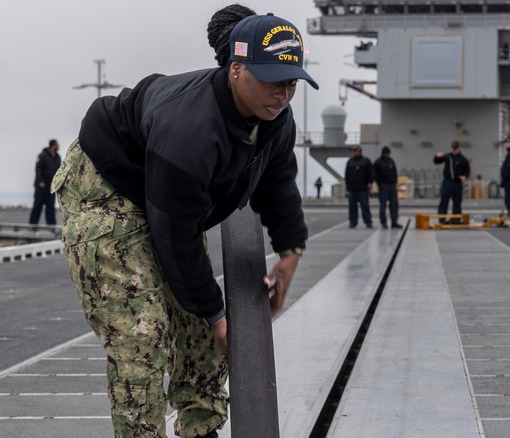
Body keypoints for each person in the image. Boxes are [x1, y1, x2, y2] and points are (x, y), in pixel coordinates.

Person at [51, 6, 316, 437]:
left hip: (165, 195)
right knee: (143, 333)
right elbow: (175, 234)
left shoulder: (275, 120)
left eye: (291, 82)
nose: (282, 94)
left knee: (200, 328)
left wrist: (291, 250)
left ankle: (200, 430)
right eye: (271, 80)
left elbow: (278, 182)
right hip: (106, 191)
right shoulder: (190, 128)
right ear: (236, 70)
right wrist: (216, 314)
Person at [434, 141, 470, 223]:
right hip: (447, 181)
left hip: (457, 182)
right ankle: (442, 219)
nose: (454, 150)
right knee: (444, 200)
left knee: (457, 201)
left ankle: (456, 219)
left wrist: (465, 176)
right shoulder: (447, 157)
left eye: (456, 148)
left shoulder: (463, 159)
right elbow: (436, 162)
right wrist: (437, 156)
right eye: (453, 148)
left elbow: (467, 170)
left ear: (459, 148)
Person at [29, 139, 61, 225]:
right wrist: (40, 181)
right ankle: (32, 225)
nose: (58, 146)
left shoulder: (58, 157)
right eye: (57, 144)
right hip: (41, 185)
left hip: (51, 185)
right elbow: (38, 168)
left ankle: (51, 226)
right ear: (53, 145)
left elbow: (59, 170)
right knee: (37, 205)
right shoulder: (43, 155)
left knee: (50, 206)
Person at [345, 145, 374, 228]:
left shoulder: (366, 161)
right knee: (352, 207)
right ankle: (353, 222)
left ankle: (368, 222)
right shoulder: (350, 162)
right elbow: (347, 174)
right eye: (352, 151)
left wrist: (370, 182)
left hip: (363, 189)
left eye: (354, 151)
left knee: (365, 206)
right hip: (352, 189)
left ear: (359, 151)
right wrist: (347, 184)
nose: (353, 153)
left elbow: (370, 173)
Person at [373, 146, 402, 228]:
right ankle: (383, 222)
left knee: (394, 204)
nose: (387, 155)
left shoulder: (391, 161)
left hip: (392, 185)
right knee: (383, 205)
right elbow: (375, 174)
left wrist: (395, 182)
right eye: (386, 153)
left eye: (388, 153)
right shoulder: (378, 162)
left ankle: (394, 222)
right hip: (384, 185)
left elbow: (394, 171)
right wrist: (380, 184)